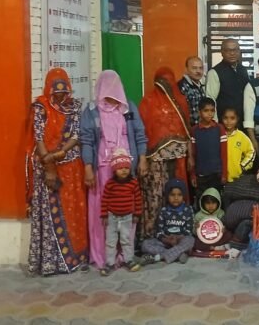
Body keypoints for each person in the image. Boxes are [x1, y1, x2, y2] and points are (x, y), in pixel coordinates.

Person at [80, 70, 148, 271]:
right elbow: (86, 140)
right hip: (102, 169)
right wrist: (88, 167)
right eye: (107, 86)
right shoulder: (92, 110)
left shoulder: (128, 107)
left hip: (127, 168)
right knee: (103, 212)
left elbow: (140, 134)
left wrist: (142, 158)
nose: (111, 90)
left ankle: (126, 255)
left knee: (126, 207)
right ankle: (104, 256)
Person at [26, 68, 88, 276]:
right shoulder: (40, 107)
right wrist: (49, 160)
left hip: (71, 167)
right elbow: (39, 137)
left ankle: (75, 258)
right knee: (50, 216)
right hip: (48, 169)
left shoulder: (74, 107)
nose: (61, 96)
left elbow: (76, 135)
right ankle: (51, 263)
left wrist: (62, 151)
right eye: (56, 92)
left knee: (73, 213)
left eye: (64, 92)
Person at [138, 67, 192, 243]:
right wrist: (143, 157)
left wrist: (191, 156)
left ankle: (179, 234)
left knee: (177, 193)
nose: (164, 84)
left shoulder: (180, 100)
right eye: (161, 80)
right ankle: (153, 235)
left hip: (178, 157)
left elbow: (187, 132)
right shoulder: (148, 101)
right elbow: (142, 130)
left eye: (168, 81)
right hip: (155, 158)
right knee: (156, 195)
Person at [100, 148, 143, 276]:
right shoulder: (110, 184)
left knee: (126, 240)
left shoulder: (133, 183)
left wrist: (137, 214)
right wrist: (104, 215)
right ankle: (109, 263)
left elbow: (138, 199)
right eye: (120, 168)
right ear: (114, 170)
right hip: (112, 217)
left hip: (127, 217)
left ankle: (129, 260)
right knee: (110, 241)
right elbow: (105, 199)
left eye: (126, 167)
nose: (124, 170)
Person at [141, 179, 195, 264]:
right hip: (166, 242)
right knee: (145, 244)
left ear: (183, 196)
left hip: (181, 241)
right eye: (172, 195)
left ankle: (158, 257)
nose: (176, 198)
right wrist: (166, 240)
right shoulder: (164, 210)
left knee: (190, 240)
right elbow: (159, 232)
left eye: (179, 195)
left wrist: (178, 238)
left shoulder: (188, 210)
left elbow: (189, 230)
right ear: (167, 195)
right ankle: (178, 255)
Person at [189, 97, 228, 199]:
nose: (209, 114)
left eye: (212, 111)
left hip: (216, 174)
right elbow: (192, 154)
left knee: (216, 200)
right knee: (201, 200)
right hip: (201, 175)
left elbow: (224, 153)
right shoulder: (194, 130)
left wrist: (224, 174)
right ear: (199, 112)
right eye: (206, 111)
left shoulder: (219, 129)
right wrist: (193, 175)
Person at [206, 38, 250, 127]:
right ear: (222, 52)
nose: (232, 53)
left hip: (242, 122)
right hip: (224, 124)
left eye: (235, 50)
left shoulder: (243, 70)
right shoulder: (214, 72)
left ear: (239, 51)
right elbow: (211, 100)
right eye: (228, 50)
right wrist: (215, 125)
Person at [222, 108, 255, 183]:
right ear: (222, 119)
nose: (229, 121)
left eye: (232, 118)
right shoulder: (219, 135)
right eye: (225, 118)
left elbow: (251, 151)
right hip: (220, 177)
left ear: (237, 119)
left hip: (236, 178)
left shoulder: (241, 136)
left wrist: (243, 166)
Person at [178, 56, 206, 127]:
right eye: (194, 68)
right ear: (186, 70)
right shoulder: (182, 86)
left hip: (200, 128)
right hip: (188, 129)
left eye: (201, 68)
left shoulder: (200, 86)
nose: (198, 71)